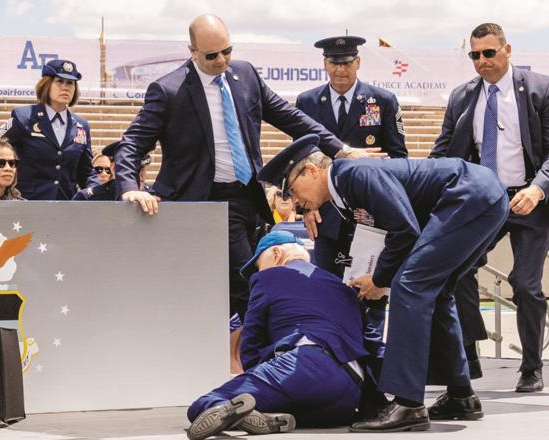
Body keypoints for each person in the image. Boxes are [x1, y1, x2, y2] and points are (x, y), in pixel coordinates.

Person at [114, 14, 381, 320]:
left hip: (248, 200)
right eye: (211, 55)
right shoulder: (168, 90)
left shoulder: (246, 75)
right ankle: (252, 354)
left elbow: (291, 118)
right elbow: (132, 144)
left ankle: (240, 352)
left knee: (244, 285)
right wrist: (130, 188)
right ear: (193, 51)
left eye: (227, 51)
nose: (221, 61)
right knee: (250, 285)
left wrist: (342, 150)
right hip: (201, 201)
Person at [259, 134, 509, 432]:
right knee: (436, 291)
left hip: (468, 195)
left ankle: (408, 405)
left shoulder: (354, 174)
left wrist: (379, 280)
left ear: (311, 171)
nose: (296, 202)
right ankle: (461, 396)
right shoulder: (345, 190)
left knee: (410, 286)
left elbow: (404, 229)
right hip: (480, 195)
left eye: (292, 190)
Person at [430, 23, 549, 392]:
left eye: (489, 53)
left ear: (507, 50)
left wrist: (538, 189)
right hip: (485, 201)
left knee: (526, 285)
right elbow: (443, 151)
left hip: (530, 200)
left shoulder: (540, 90)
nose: (482, 61)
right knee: (457, 270)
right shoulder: (462, 97)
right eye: (475, 55)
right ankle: (468, 354)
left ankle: (531, 367)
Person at [186, 231, 369, 440]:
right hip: (350, 388)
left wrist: (254, 375)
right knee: (296, 409)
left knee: (204, 405)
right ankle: (270, 418)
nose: (259, 270)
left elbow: (252, 340)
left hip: (302, 365)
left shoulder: (267, 277)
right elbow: (369, 342)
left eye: (259, 264)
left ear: (276, 253)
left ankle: (239, 413)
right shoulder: (342, 286)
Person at [295, 36, 407, 370]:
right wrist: (307, 207)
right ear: (324, 64)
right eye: (334, 62)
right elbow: (300, 165)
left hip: (371, 217)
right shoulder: (307, 102)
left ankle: (373, 368)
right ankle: (336, 364)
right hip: (327, 215)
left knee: (371, 294)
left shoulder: (382, 100)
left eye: (346, 62)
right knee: (330, 290)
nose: (340, 69)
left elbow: (397, 157)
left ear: (358, 63)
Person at [0, 59, 98, 200]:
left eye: (70, 83)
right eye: (59, 81)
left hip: (66, 208)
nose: (65, 87)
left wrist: (97, 194)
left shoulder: (81, 126)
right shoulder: (23, 117)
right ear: (46, 85)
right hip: (26, 207)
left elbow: (86, 173)